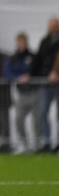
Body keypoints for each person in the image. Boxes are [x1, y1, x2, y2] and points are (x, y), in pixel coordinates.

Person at [4, 33, 38, 154]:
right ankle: (24, 144)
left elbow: (36, 69)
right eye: (19, 41)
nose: (21, 44)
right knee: (18, 119)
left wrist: (29, 75)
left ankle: (38, 144)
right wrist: (18, 77)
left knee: (36, 120)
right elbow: (7, 71)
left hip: (34, 91)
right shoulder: (13, 57)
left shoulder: (32, 56)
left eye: (23, 41)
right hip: (21, 93)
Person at [35, 17, 59, 152]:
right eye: (51, 26)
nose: (53, 28)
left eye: (55, 26)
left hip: (57, 82)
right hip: (45, 81)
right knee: (43, 111)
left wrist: (56, 73)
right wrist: (33, 74)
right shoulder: (44, 42)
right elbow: (38, 59)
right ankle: (46, 141)